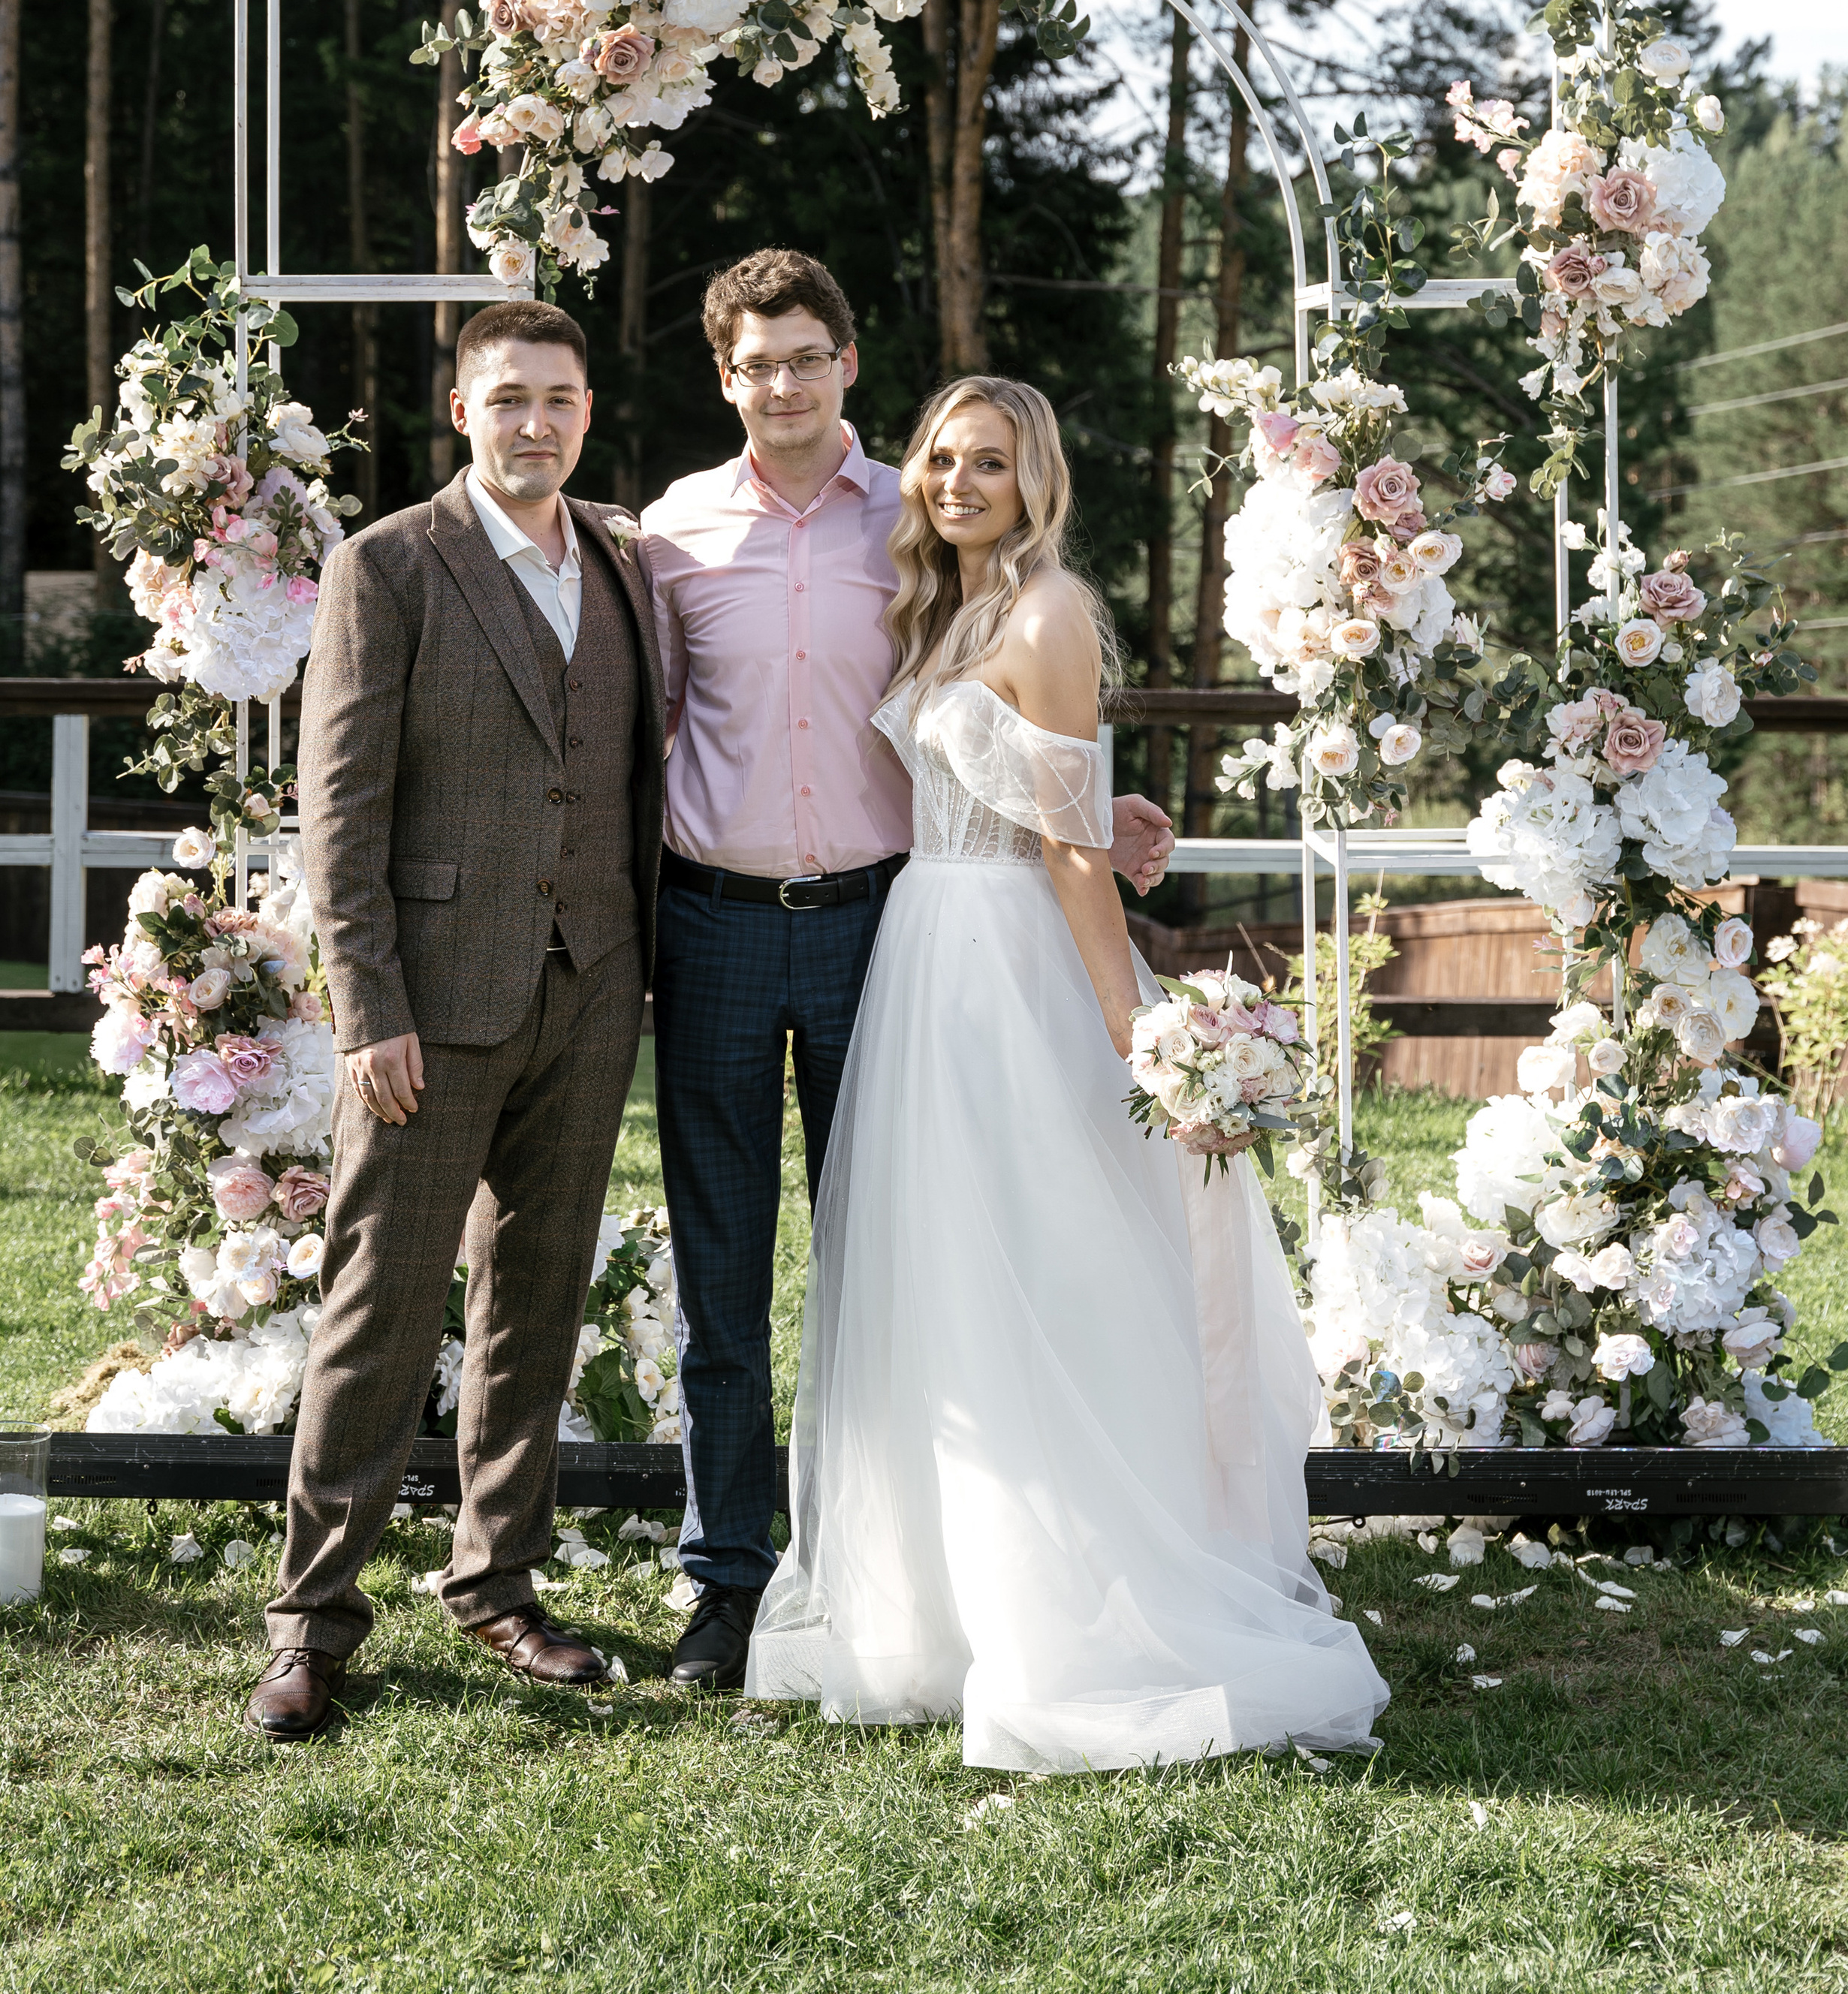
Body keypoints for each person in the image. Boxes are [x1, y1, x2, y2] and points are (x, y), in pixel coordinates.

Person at [744, 375, 1388, 1769]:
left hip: (1011, 967)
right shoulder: (947, 608)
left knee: (1049, 1259)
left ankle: (1075, 1601)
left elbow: (1071, 850)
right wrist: (1108, 808)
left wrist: (1130, 1029)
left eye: (990, 463)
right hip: (925, 949)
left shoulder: (1046, 614)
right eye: (939, 459)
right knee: (942, 1278)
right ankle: (942, 1606)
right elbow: (1040, 793)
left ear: (1036, 481)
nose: (958, 482)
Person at [642, 254, 1174, 1694]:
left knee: (903, 1254)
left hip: (894, 925)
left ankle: (906, 1565)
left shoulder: (924, 514)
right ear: (726, 374)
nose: (785, 383)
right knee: (724, 1268)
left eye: (808, 356)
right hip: (718, 924)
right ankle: (729, 1581)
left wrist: (1092, 811)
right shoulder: (672, 533)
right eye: (759, 363)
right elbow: (635, 729)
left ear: (850, 363)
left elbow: (1018, 712)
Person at [246, 302, 665, 1742]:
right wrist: (370, 1009)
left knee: (535, 1301)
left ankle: (496, 1581)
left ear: (589, 411)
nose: (533, 423)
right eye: (507, 400)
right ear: (462, 411)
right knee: (379, 1302)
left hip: (592, 986)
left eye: (558, 398)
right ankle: (311, 1620)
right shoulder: (391, 565)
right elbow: (338, 810)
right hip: (428, 1007)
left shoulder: (620, 558)